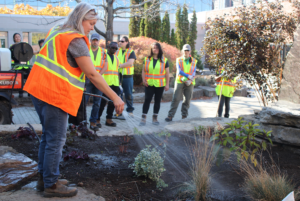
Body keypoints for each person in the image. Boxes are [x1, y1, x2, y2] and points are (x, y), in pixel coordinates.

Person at [23, 3, 124, 198]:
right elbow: (92, 74)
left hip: (38, 90)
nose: (92, 28)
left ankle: (45, 178)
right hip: (54, 95)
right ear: (80, 19)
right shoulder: (75, 39)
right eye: (91, 23)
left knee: (48, 136)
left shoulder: (57, 31)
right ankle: (51, 185)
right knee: (56, 139)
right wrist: (115, 96)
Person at [140, 42, 169, 126]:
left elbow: (167, 73)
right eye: (153, 48)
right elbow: (143, 71)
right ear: (151, 50)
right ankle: (143, 118)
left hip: (159, 85)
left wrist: (167, 84)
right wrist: (144, 80)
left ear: (159, 49)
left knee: (157, 101)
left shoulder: (164, 60)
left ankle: (155, 118)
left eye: (156, 48)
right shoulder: (147, 59)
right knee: (147, 100)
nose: (155, 49)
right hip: (149, 84)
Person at [165, 44, 197, 122]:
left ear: (190, 51)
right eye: (185, 50)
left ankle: (184, 116)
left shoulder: (194, 60)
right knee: (176, 98)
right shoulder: (179, 60)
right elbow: (179, 71)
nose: (186, 52)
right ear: (182, 51)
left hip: (190, 83)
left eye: (188, 50)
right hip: (180, 81)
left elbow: (194, 72)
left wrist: (190, 79)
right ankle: (170, 116)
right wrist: (188, 77)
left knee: (187, 100)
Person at [85, 33, 107, 131]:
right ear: (91, 40)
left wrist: (97, 76)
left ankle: (93, 122)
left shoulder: (103, 52)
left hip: (98, 80)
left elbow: (105, 66)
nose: (95, 42)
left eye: (96, 40)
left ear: (99, 41)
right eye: (93, 40)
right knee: (83, 102)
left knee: (97, 103)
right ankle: (83, 122)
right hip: (87, 80)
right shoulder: (85, 50)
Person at [97, 42, 120, 127]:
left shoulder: (116, 58)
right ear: (108, 47)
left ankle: (109, 119)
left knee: (112, 103)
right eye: (113, 47)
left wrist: (119, 83)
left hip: (115, 83)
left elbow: (117, 72)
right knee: (102, 102)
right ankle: (97, 119)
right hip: (105, 83)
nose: (114, 49)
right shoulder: (103, 56)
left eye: (116, 48)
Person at [113, 36, 136, 119]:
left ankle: (130, 112)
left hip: (127, 76)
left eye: (122, 41)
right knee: (118, 95)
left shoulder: (130, 51)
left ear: (127, 42)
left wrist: (119, 66)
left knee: (128, 94)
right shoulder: (117, 51)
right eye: (120, 41)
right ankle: (119, 112)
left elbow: (130, 62)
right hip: (118, 76)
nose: (120, 42)